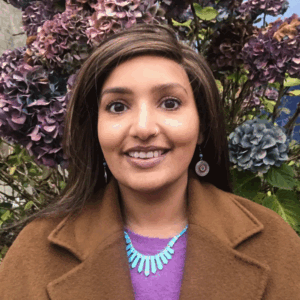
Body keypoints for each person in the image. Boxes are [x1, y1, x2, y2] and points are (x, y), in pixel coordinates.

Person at [0, 23, 300, 300]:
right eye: (117, 107)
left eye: (170, 103)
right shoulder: (36, 252)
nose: (143, 128)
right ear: (95, 128)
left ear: (202, 126)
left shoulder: (273, 243)